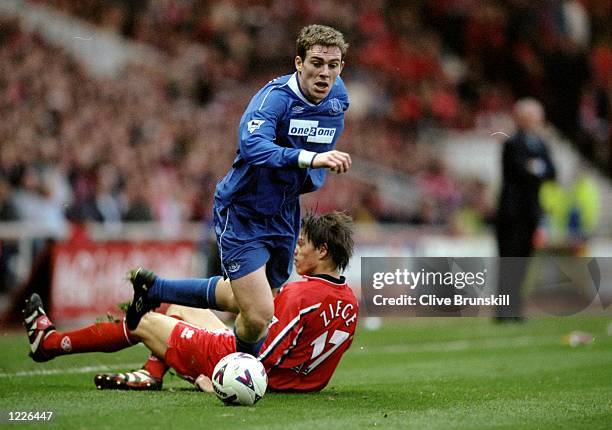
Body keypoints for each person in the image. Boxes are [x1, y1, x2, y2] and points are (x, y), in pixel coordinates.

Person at [126, 24, 352, 357]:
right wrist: (310, 158)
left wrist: (309, 170)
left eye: (333, 65)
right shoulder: (273, 99)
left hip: (284, 210)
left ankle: (154, 289)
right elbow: (252, 146)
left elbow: (322, 130)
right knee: (261, 313)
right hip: (243, 209)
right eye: (316, 63)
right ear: (298, 62)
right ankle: (241, 364)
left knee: (245, 297)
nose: (324, 72)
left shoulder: (338, 97)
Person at [25, 212, 358, 393]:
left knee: (143, 321)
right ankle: (150, 374)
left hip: (237, 367)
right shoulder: (350, 300)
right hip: (297, 385)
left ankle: (49, 342)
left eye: (302, 244)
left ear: (323, 252)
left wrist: (220, 379)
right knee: (183, 309)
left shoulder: (300, 295)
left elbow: (263, 356)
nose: (296, 250)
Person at [496, 98, 556, 321]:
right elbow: (521, 171)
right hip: (512, 214)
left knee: (523, 261)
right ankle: (504, 311)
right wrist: (535, 168)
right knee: (510, 260)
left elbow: (551, 171)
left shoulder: (540, 144)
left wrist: (535, 168)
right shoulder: (512, 143)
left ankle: (516, 308)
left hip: (531, 212)